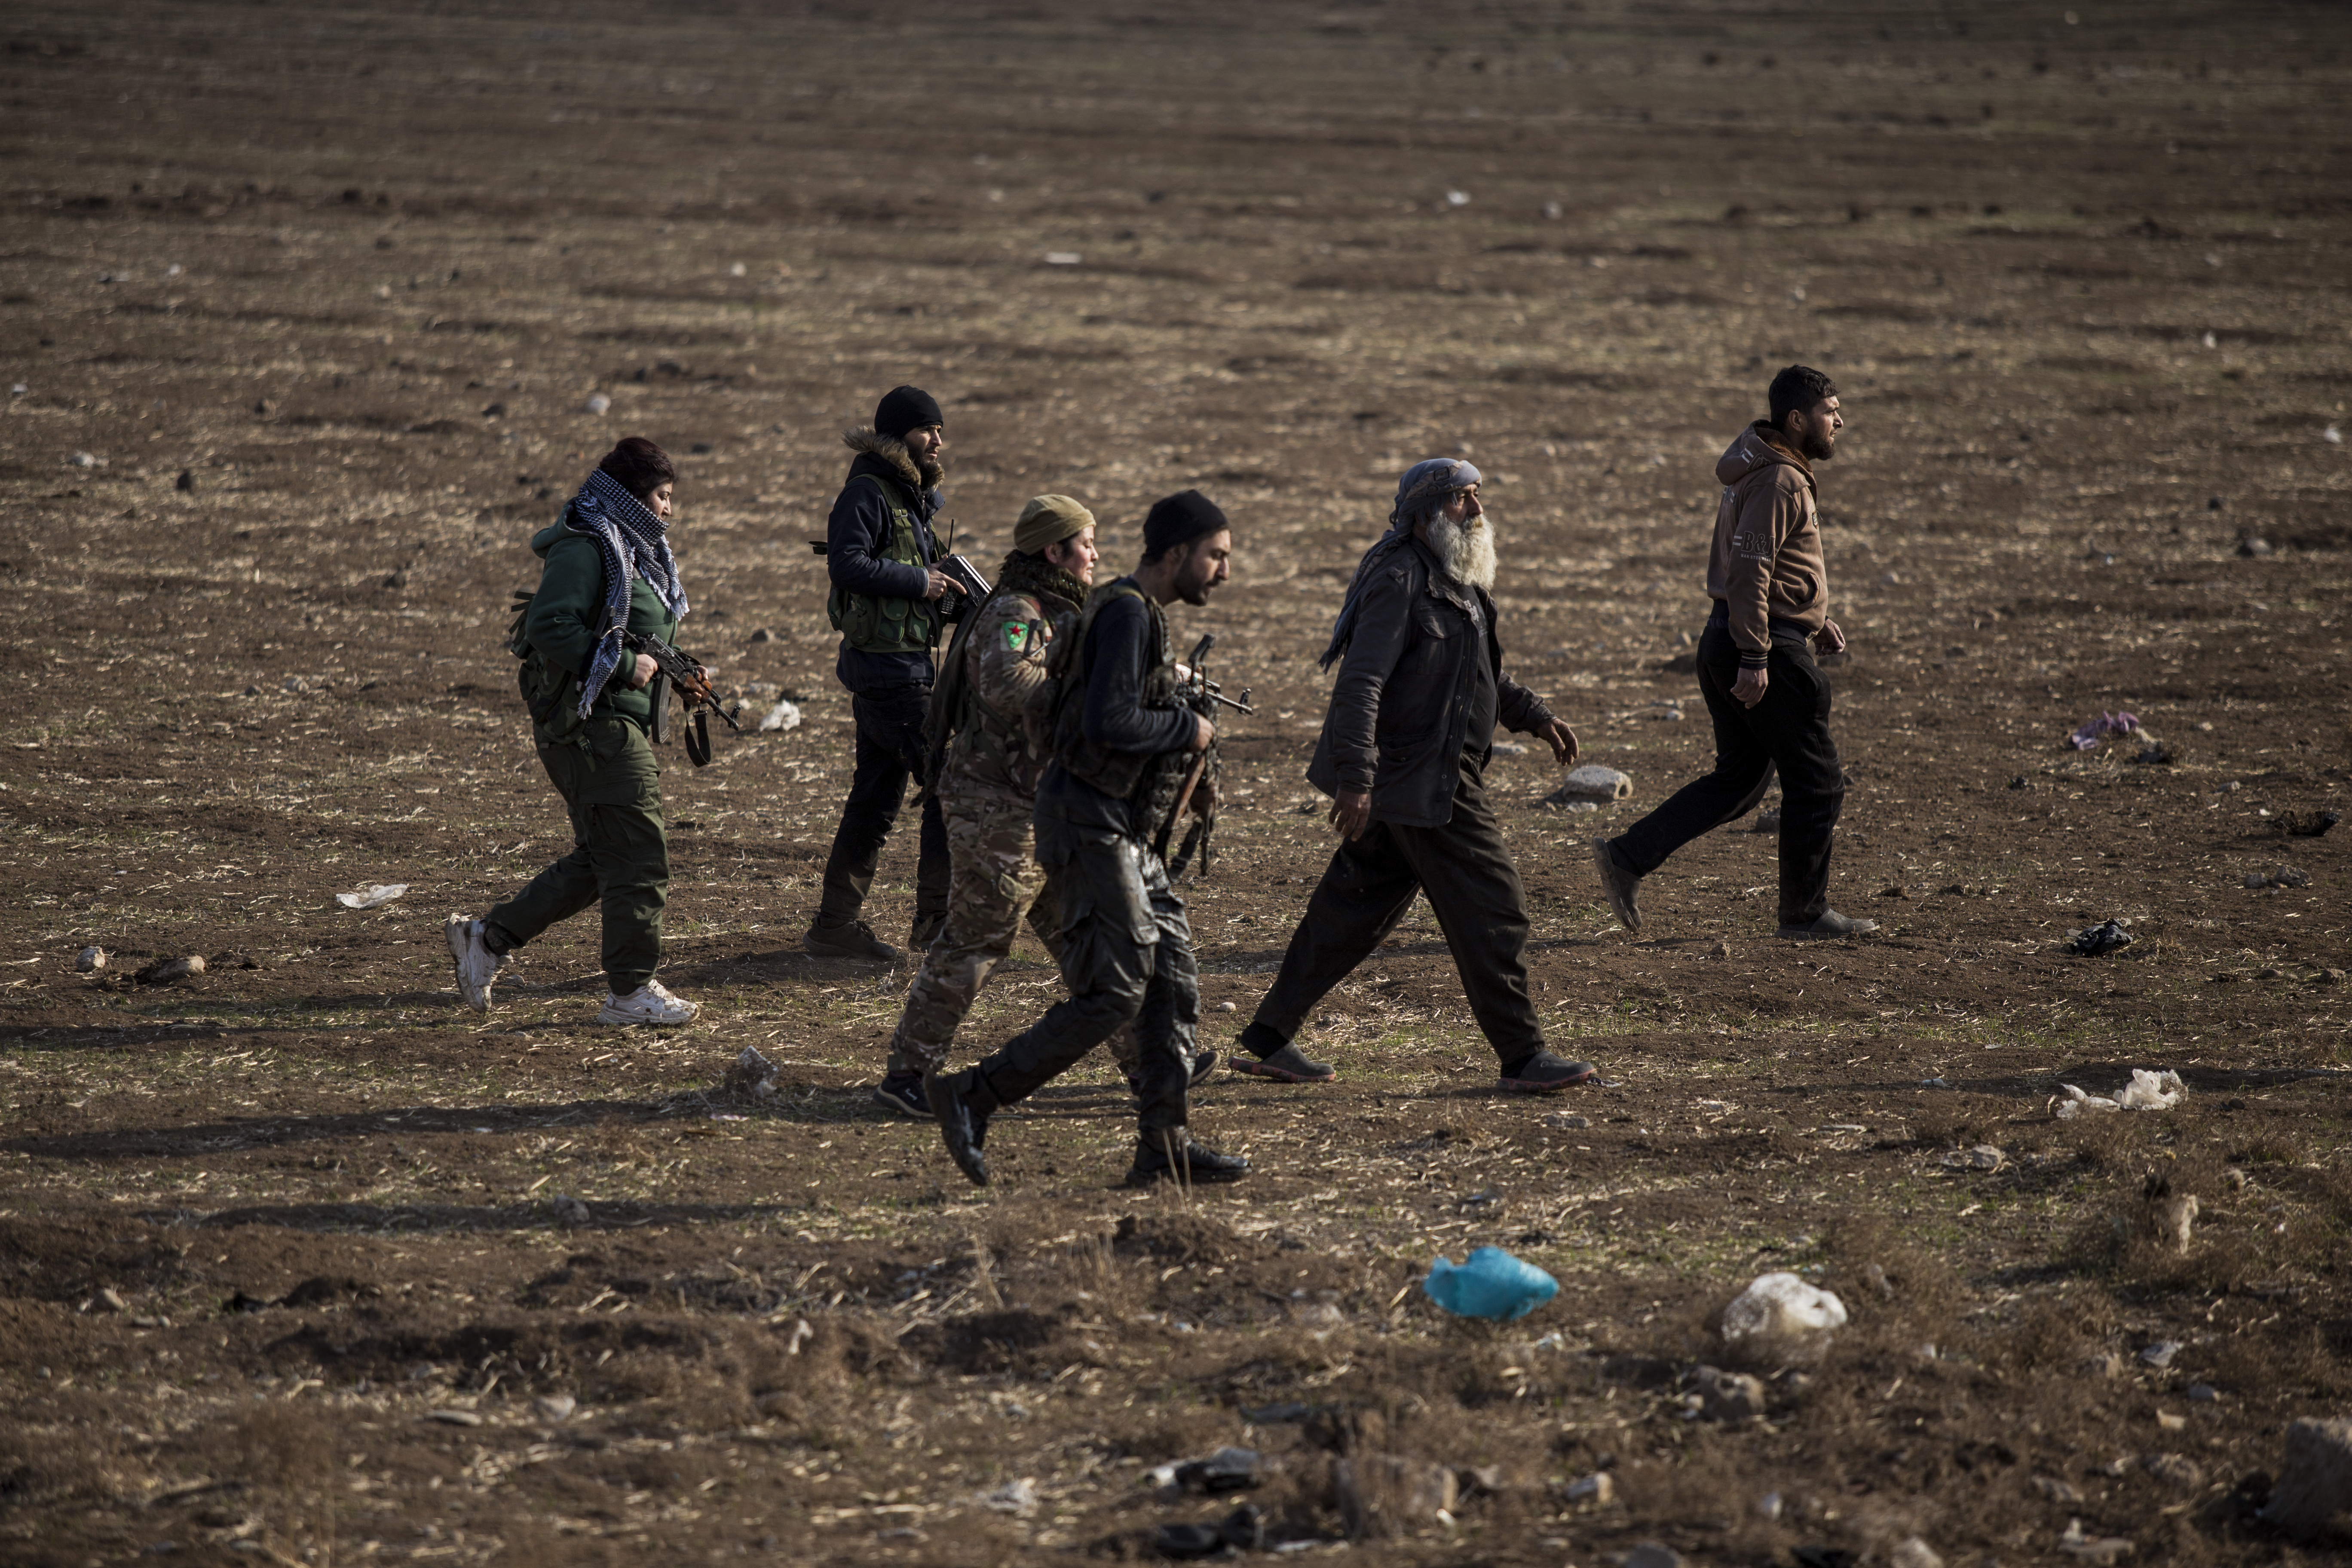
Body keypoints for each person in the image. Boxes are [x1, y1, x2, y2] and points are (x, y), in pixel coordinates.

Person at [1228, 459, 1598, 1092]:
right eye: (1461, 500)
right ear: (1425, 515)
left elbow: (1477, 674)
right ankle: (1523, 1056)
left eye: (1477, 497)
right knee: (1494, 905)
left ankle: (1268, 1040)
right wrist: (1356, 780)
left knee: (1349, 913)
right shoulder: (1400, 579)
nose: (1477, 511)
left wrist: (1532, 716)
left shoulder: (1457, 580)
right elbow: (1361, 684)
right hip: (1422, 780)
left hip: (1414, 779)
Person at [926, 492, 1248, 1188]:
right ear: (1175, 554)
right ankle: (972, 1095)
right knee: (1117, 990)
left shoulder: (1122, 609)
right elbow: (1109, 724)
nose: (1224, 572)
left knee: (1173, 976)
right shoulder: (1127, 613)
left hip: (1118, 824)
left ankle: (1164, 1143)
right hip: (1086, 822)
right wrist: (1187, 732)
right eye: (1216, 556)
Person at [868, 496, 1212, 1117]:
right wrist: (1096, 690)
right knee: (976, 941)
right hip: (993, 805)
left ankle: (1152, 1061)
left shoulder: (1062, 611)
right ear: (1053, 551)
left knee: (1088, 939)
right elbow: (1007, 684)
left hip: (1038, 806)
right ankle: (907, 1076)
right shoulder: (1015, 611)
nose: (1095, 555)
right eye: (1085, 544)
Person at [1591, 364, 1878, 941]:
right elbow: (1749, 570)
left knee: (1742, 779)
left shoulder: (1766, 470)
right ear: (1797, 420)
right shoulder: (1779, 481)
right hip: (1757, 646)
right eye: (1830, 412)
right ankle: (1804, 914)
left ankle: (1627, 857)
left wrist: (1812, 617)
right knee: (1818, 782)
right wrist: (1757, 654)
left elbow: (1763, 569)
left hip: (1734, 636)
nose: (1838, 421)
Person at [444, 437, 703, 1026]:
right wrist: (617, 666)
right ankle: (631, 993)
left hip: (615, 723)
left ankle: (488, 940)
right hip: (593, 728)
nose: (670, 510)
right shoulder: (589, 547)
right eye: (663, 497)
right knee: (638, 858)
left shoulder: (632, 550)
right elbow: (550, 624)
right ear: (633, 497)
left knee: (604, 858)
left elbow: (635, 633)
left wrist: (681, 670)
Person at [803, 385, 959, 963]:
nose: (938, 441)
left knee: (875, 798)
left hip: (897, 666)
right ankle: (938, 925)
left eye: (941, 431)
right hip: (892, 672)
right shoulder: (868, 492)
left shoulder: (906, 498)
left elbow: (888, 568)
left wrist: (941, 580)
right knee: (951, 782)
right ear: (897, 437)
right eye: (927, 430)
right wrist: (922, 581)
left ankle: (834, 927)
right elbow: (847, 565)